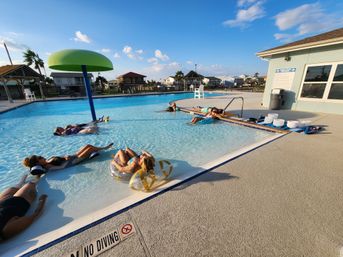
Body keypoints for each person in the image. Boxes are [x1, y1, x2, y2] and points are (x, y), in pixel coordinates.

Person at [0, 174, 47, 241]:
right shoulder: (6, 231)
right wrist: (42, 201)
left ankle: (21, 182)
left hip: (2, 203)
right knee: (31, 183)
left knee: (11, 188)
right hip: (20, 201)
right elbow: (33, 216)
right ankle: (39, 175)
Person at [22, 143, 114, 173]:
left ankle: (101, 149)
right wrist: (67, 160)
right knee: (89, 148)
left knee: (87, 145)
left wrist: (65, 156)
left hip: (71, 157)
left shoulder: (48, 159)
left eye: (40, 156)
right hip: (73, 161)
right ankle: (104, 148)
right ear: (38, 163)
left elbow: (60, 157)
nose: (42, 157)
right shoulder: (48, 166)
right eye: (40, 158)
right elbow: (61, 167)